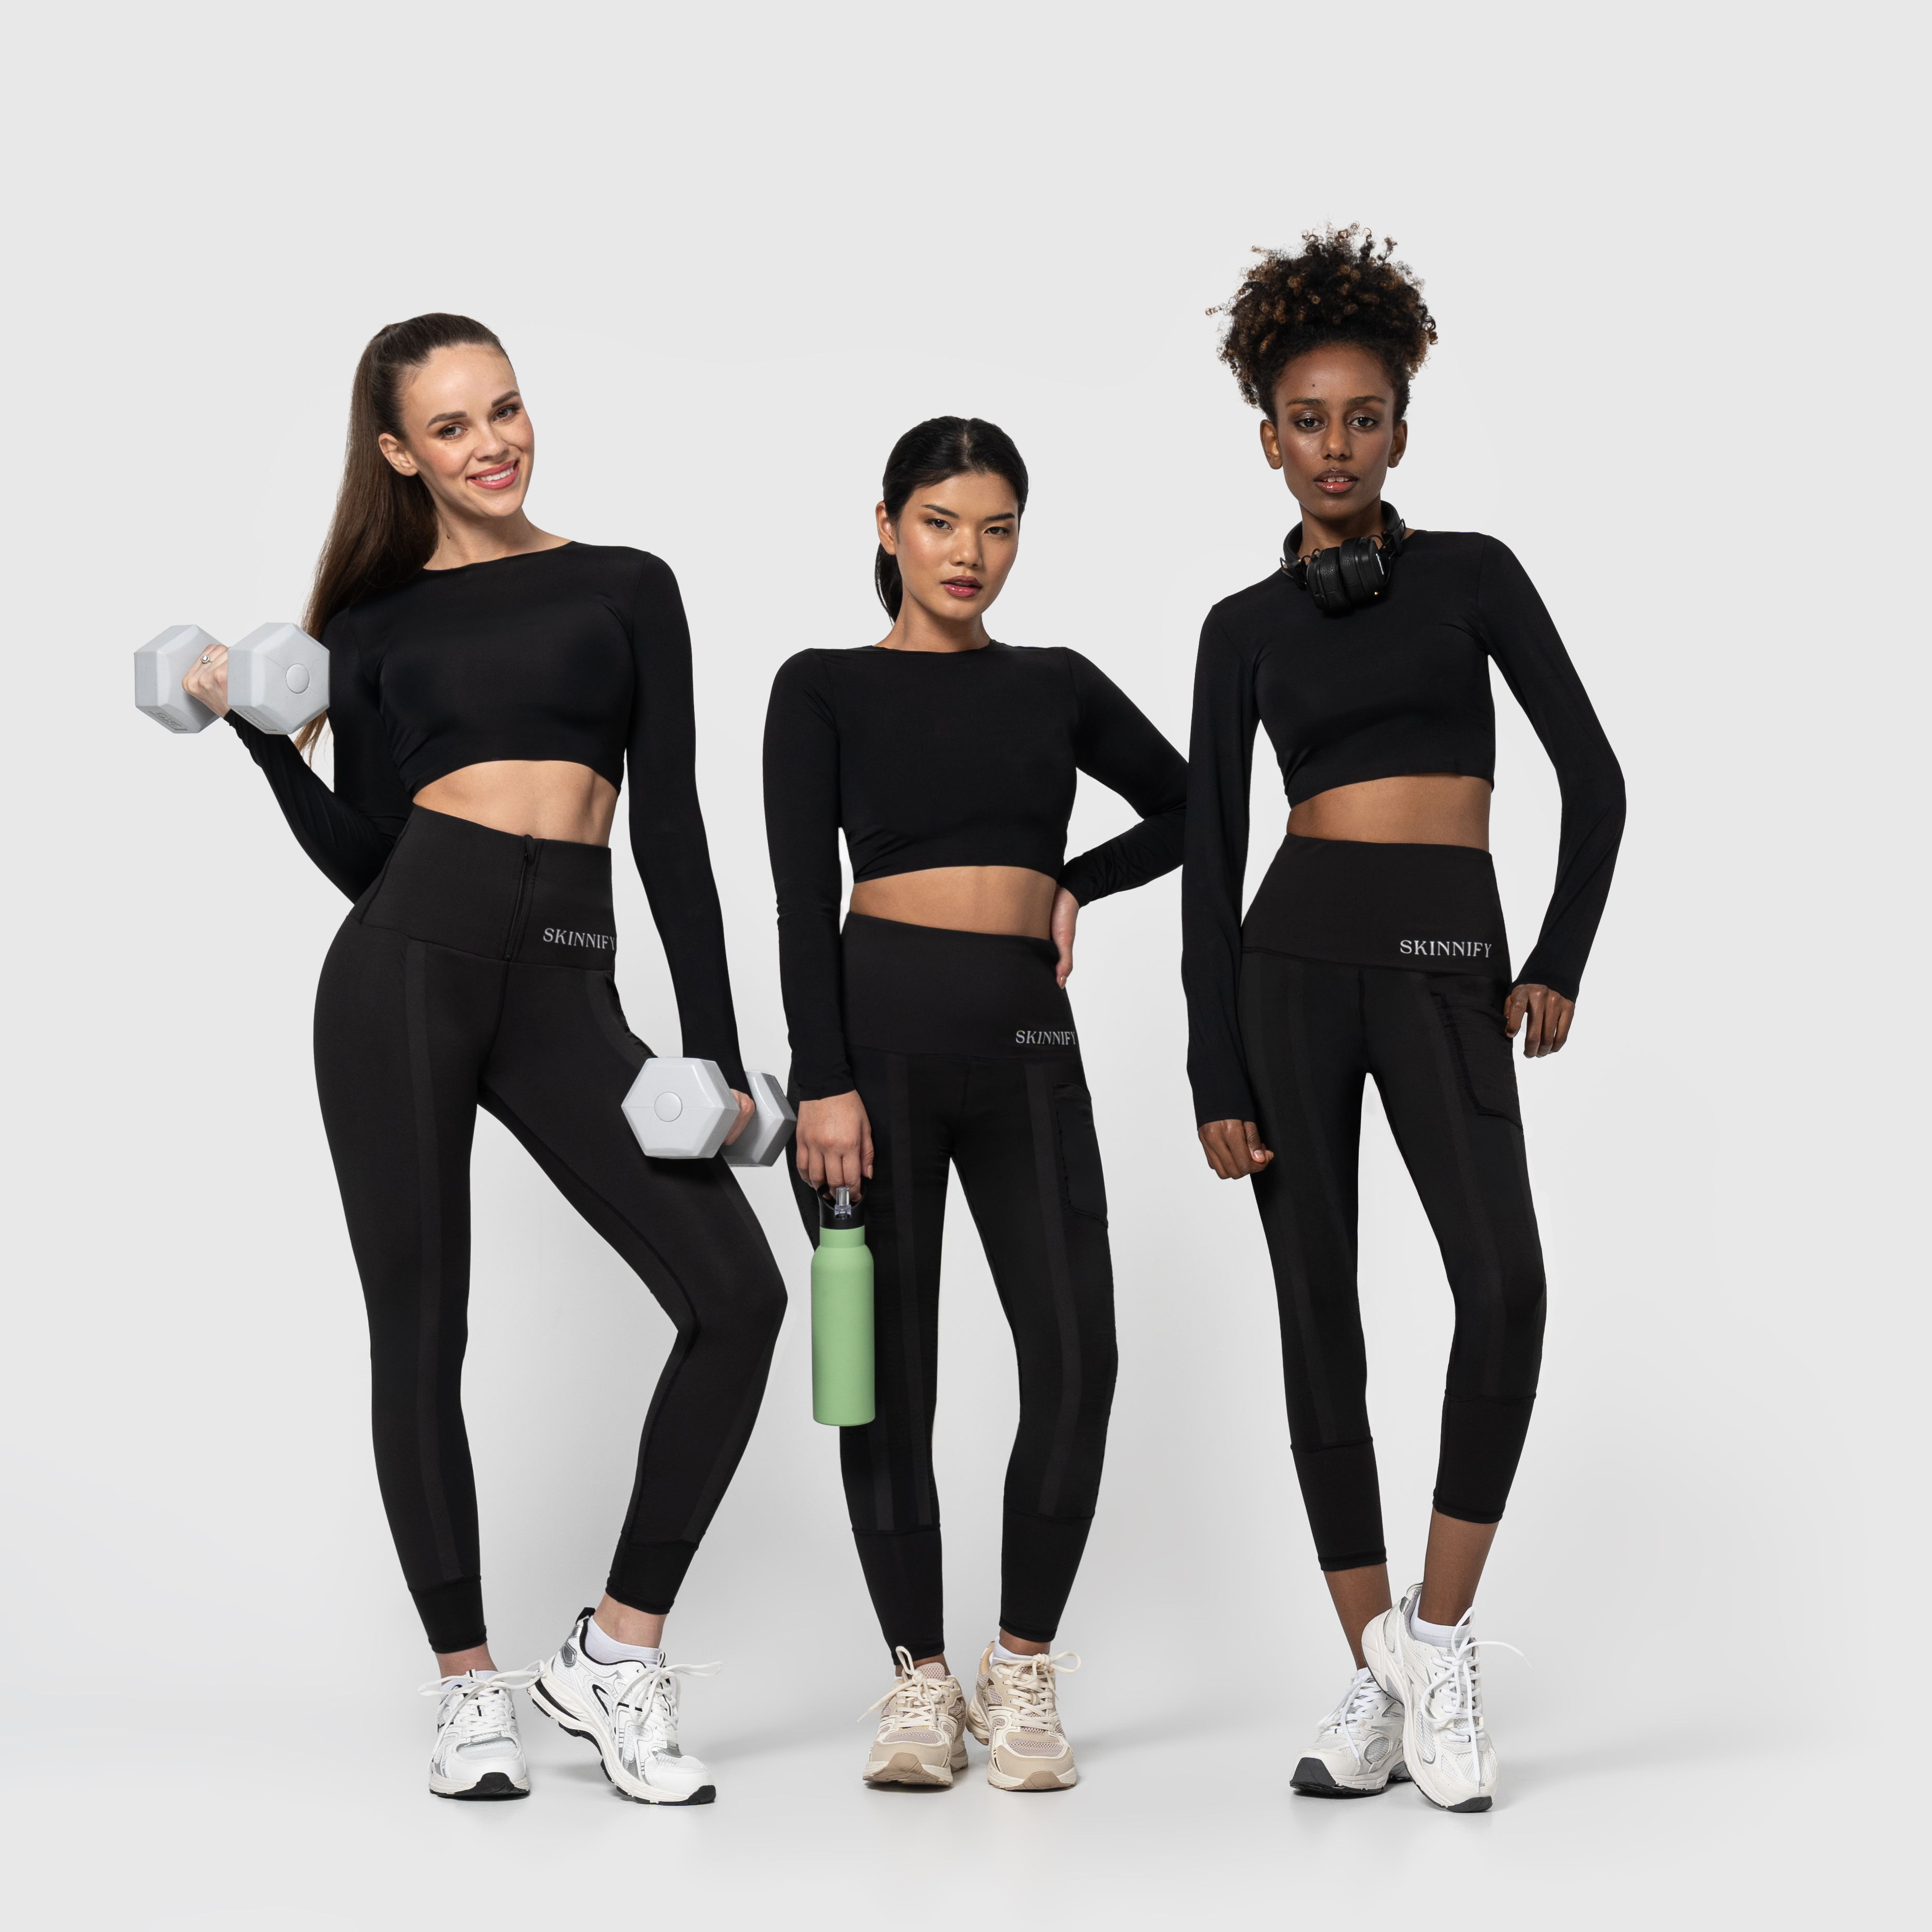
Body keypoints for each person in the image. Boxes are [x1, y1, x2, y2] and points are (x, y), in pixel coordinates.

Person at [184, 312, 785, 1805]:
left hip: (567, 981)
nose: (493, 443)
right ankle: (468, 1692)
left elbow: (674, 834)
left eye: (505, 407)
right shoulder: (376, 630)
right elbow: (368, 858)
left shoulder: (627, 586)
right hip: (402, 970)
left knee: (739, 1297)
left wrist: (707, 1053)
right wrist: (267, 741)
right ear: (400, 453)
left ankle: (614, 1657)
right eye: (452, 427)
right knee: (423, 1331)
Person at [1183, 230, 1625, 1813]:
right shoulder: (1241, 627)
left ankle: (1433, 1643)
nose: (1336, 449)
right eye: (1308, 420)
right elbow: (1213, 855)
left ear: (1404, 428)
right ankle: (1383, 1673)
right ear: (1268, 435)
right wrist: (1209, 1059)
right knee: (1323, 1318)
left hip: (1448, 957)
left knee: (1502, 1286)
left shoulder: (1473, 575)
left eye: (1363, 418)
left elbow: (1595, 773)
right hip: (1287, 968)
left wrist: (1556, 955)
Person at [762, 417, 1186, 1791]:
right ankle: (917, 1683)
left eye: (998, 527)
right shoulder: (819, 686)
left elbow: (1196, 803)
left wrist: (1081, 881)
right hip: (871, 1046)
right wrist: (820, 1077)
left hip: (1023, 1038)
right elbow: (791, 899)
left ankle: (1021, 1671)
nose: (970, 553)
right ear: (886, 526)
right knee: (888, 1378)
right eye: (943, 521)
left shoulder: (1054, 684)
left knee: (1079, 1354)